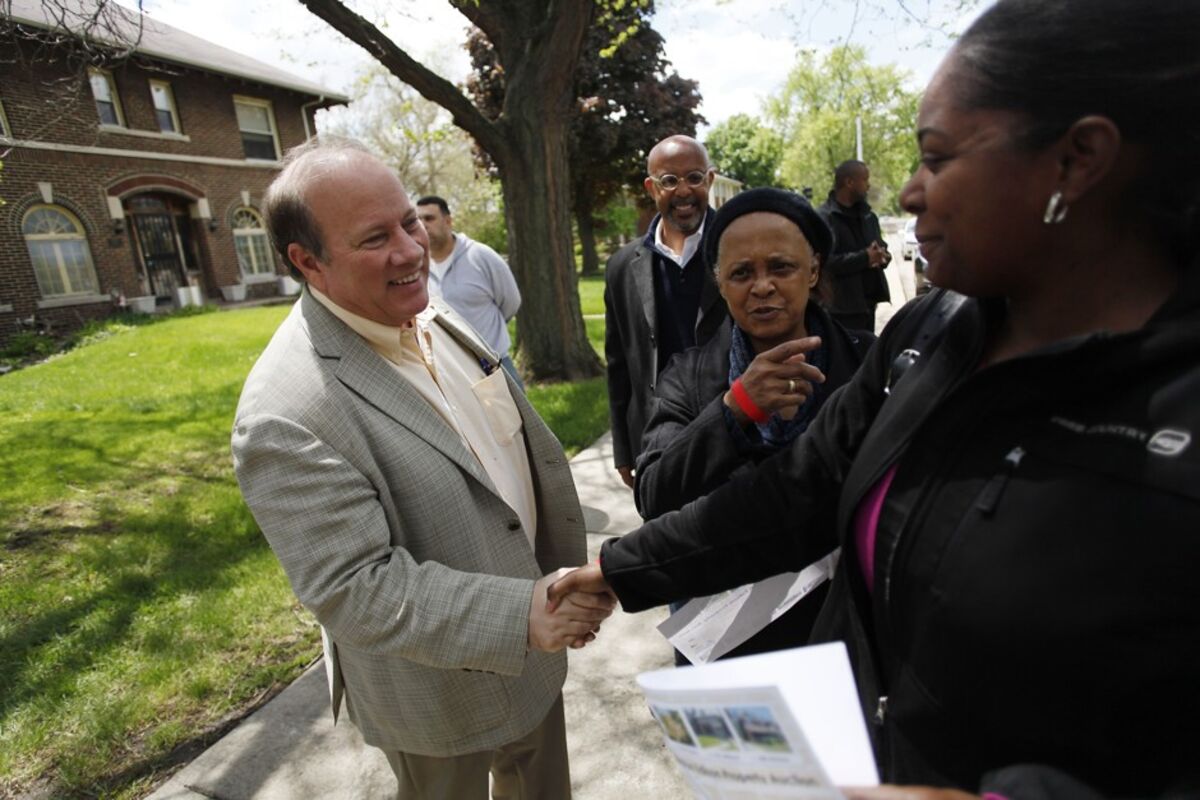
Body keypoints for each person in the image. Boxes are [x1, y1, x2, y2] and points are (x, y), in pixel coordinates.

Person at [550, 0, 1200, 796]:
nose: (912, 193)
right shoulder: (934, 330)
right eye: (739, 273)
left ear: (1077, 160)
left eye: (936, 156)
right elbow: (799, 494)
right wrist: (620, 569)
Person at [231, 138, 613, 799]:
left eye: (409, 221)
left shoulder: (427, 307)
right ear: (308, 261)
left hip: (536, 651)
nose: (411, 250)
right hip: (435, 700)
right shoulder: (284, 412)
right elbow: (354, 587)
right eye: (375, 237)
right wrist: (520, 613)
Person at [634, 188, 874, 662]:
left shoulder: (868, 363)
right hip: (729, 641)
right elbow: (655, 494)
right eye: (742, 273)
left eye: (780, 267)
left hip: (846, 634)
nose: (761, 286)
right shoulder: (689, 376)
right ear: (720, 283)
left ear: (814, 270)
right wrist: (735, 409)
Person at [604, 134, 728, 489]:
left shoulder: (738, 246)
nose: (684, 191)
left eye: (694, 177)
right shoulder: (622, 266)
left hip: (734, 429)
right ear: (650, 187)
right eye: (669, 180)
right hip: (658, 440)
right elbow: (618, 364)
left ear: (711, 180)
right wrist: (624, 449)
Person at [416, 195, 524, 390]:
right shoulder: (418, 266)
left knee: (515, 421)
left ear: (448, 221)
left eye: (429, 218)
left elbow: (511, 302)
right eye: (418, 220)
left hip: (494, 367)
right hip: (449, 373)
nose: (423, 225)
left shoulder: (481, 256)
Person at [820, 159, 892, 332]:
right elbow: (824, 263)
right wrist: (865, 258)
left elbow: (881, 248)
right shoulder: (825, 218)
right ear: (849, 182)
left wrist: (883, 256)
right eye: (865, 180)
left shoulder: (869, 216)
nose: (868, 186)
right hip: (841, 310)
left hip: (868, 305)